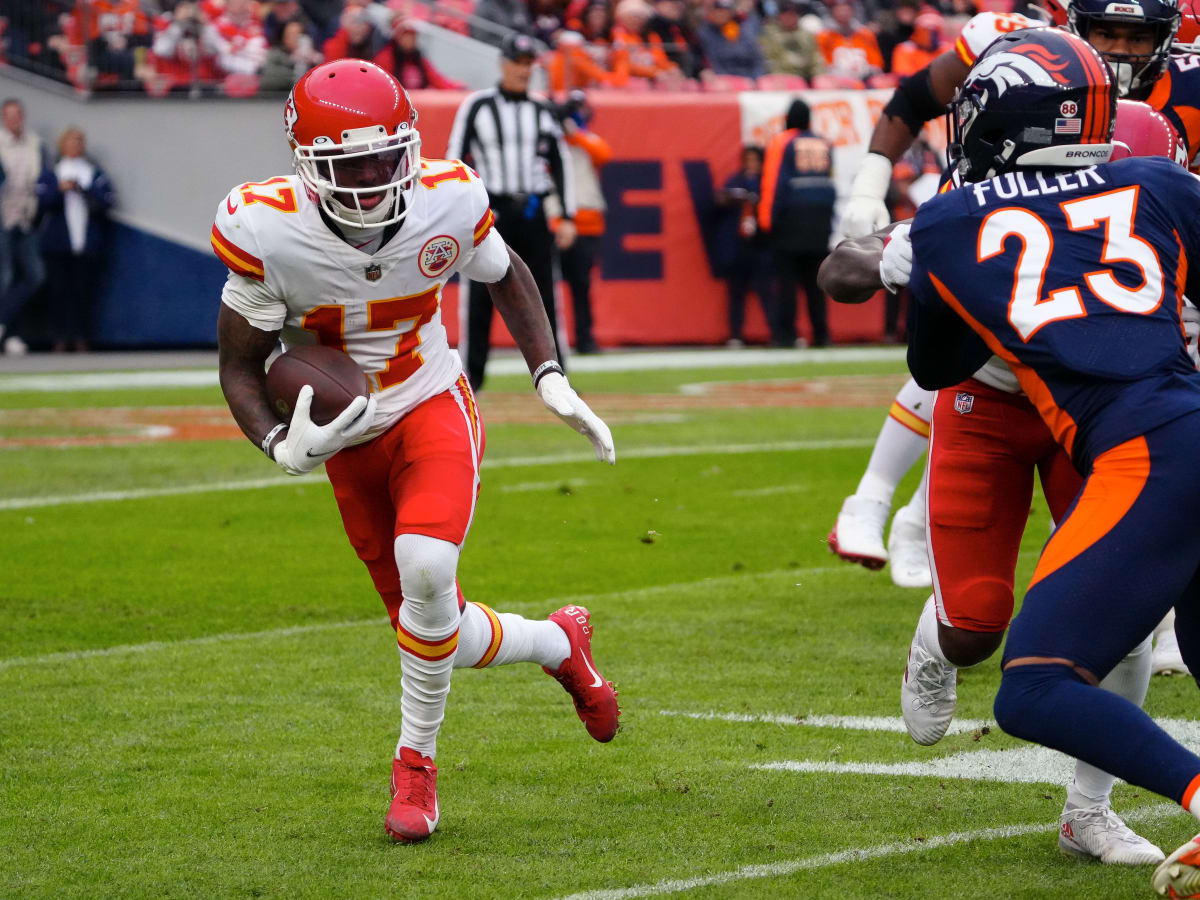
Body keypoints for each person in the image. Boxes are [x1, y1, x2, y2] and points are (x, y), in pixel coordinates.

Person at [213, 59, 618, 845]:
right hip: (346, 438)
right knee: (437, 631)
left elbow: (508, 275)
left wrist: (549, 374)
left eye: (385, 155)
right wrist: (277, 443)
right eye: (349, 164)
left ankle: (415, 763)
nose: (373, 177)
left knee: (429, 571)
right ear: (305, 164)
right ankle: (558, 642)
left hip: (431, 401)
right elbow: (238, 362)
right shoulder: (265, 228)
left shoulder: (448, 196)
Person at [825, 32, 1200, 878]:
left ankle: (1089, 811)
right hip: (1002, 403)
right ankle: (935, 641)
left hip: (1113, 426)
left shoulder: (983, 212)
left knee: (1101, 639)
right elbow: (935, 363)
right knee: (976, 623)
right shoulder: (1140, 185)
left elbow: (922, 348)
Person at [828, 0, 1194, 613]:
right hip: (1001, 227)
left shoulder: (1176, 104)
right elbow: (917, 98)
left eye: (1138, 36)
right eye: (1108, 32)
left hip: (1117, 247)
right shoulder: (1011, 40)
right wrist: (872, 194)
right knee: (973, 362)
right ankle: (880, 505)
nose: (1123, 49)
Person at [446, 32, 576, 390]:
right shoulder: (477, 105)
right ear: (503, 64)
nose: (522, 70)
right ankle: (471, 378)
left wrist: (566, 214)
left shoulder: (543, 109)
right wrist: (457, 210)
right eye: (517, 63)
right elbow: (455, 158)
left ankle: (557, 374)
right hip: (493, 211)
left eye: (527, 64)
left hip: (533, 211)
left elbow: (560, 161)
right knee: (479, 296)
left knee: (545, 294)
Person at [757, 98, 834, 348]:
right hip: (820, 221)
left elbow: (773, 182)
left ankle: (785, 335)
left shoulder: (783, 141)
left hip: (791, 221)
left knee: (787, 283)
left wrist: (766, 221)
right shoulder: (823, 142)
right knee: (816, 283)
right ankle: (821, 334)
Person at [34, 127, 115, 353]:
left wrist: (83, 190)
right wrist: (61, 190)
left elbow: (106, 202)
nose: (75, 145)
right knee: (59, 292)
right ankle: (60, 336)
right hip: (57, 245)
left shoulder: (92, 173)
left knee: (83, 293)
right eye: (71, 141)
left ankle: (81, 336)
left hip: (86, 244)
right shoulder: (53, 173)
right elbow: (42, 203)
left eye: (79, 141)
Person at [557, 91, 609, 355]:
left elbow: (603, 154)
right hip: (557, 221)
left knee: (582, 286)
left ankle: (585, 338)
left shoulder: (588, 139)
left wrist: (573, 131)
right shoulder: (552, 141)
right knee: (546, 287)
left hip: (587, 222)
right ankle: (551, 343)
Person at [715, 145, 776, 347]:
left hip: (760, 245)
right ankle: (735, 334)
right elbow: (718, 201)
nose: (751, 165)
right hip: (739, 245)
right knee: (736, 292)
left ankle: (778, 332)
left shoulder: (768, 183)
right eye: (748, 160)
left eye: (755, 161)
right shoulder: (736, 181)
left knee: (766, 291)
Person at [0, 99, 47, 356]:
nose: (14, 119)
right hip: (2, 218)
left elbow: (44, 178)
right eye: (9, 115)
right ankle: (10, 335)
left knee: (34, 276)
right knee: (4, 278)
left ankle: (6, 326)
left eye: (17, 114)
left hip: (27, 218)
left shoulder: (35, 143)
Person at [373, 18, 465, 89]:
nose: (409, 40)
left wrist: (458, 87)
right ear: (397, 37)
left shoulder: (419, 59)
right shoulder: (385, 58)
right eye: (405, 35)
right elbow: (379, 85)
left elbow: (438, 80)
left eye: (412, 36)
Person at [697, 0, 767, 81]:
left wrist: (756, 79)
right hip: (723, 80)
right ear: (712, 12)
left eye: (725, 10)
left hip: (748, 79)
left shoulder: (741, 28)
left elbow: (755, 59)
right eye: (718, 10)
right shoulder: (705, 32)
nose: (721, 14)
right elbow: (711, 62)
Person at [760, 0, 825, 81]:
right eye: (785, 14)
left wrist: (818, 76)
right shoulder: (770, 36)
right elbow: (769, 62)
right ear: (779, 16)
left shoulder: (806, 35)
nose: (789, 18)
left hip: (807, 78)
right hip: (782, 79)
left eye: (792, 14)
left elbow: (816, 59)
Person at [259, 19, 323, 91]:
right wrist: (292, 63)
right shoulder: (275, 54)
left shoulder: (311, 56)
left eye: (296, 34)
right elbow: (267, 81)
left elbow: (319, 81)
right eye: (288, 34)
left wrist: (311, 62)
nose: (291, 38)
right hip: (277, 97)